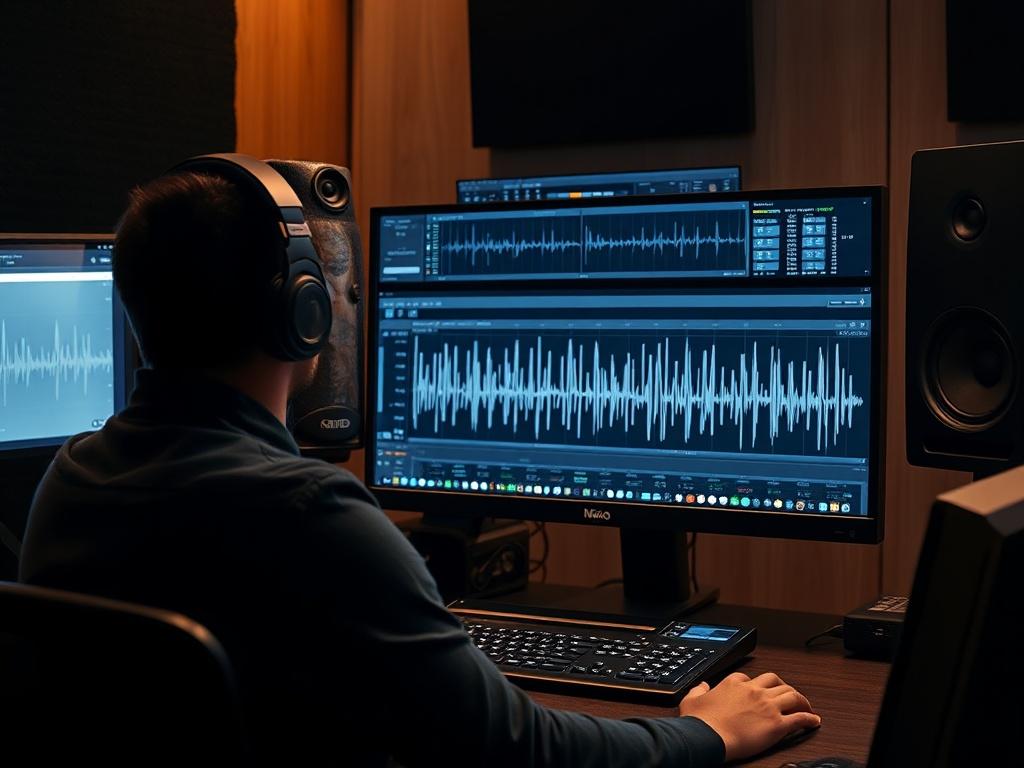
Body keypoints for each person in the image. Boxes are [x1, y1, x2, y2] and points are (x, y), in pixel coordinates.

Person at [19, 168, 821, 767]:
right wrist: (707, 732)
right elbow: (521, 752)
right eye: (334, 289)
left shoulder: (71, 481)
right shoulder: (310, 512)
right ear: (299, 315)